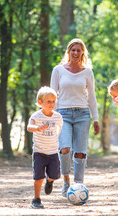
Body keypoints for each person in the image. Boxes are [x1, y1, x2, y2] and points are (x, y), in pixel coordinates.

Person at [50, 38, 100, 196]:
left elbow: (92, 97)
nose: (76, 53)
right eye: (73, 50)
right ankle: (66, 181)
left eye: (79, 50)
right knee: (65, 149)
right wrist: (49, 117)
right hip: (62, 114)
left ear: (82, 52)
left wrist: (96, 119)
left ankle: (78, 185)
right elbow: (51, 95)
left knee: (80, 152)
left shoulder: (87, 72)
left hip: (82, 115)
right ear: (68, 51)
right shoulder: (58, 70)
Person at [27, 87, 64, 209]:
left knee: (54, 175)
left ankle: (50, 181)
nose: (51, 104)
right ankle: (36, 199)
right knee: (38, 177)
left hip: (53, 152)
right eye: (48, 101)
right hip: (39, 152)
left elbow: (58, 130)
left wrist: (55, 141)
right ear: (40, 102)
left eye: (53, 101)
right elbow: (29, 127)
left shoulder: (58, 117)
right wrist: (37, 128)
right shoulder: (36, 116)